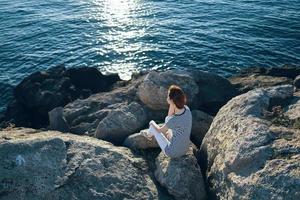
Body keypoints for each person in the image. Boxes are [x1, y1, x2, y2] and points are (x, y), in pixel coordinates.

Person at [147, 84, 192, 158]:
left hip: (172, 153)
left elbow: (159, 130)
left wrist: (152, 122)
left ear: (171, 100)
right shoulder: (187, 109)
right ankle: (150, 134)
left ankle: (148, 134)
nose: (167, 97)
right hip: (185, 149)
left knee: (153, 126)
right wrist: (172, 103)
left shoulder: (173, 121)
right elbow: (169, 118)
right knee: (169, 128)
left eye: (168, 95)